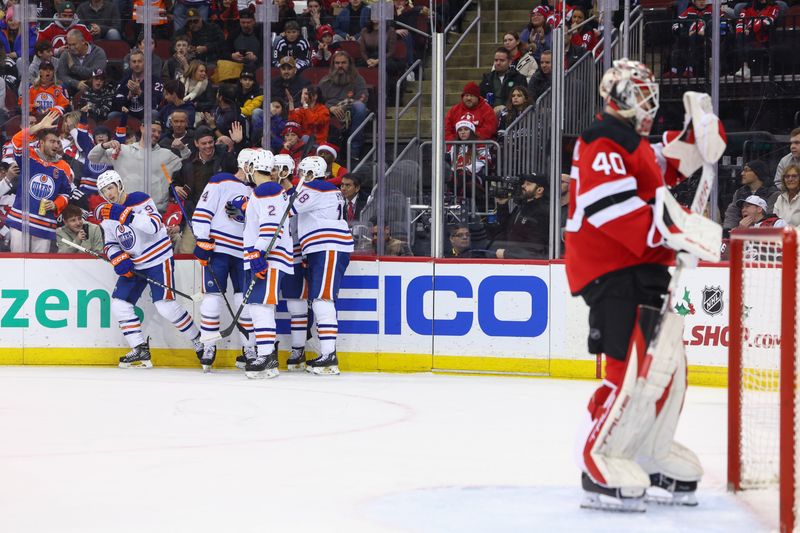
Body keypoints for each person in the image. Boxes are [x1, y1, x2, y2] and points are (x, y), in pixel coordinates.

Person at [566, 59, 720, 511]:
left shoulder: (633, 145)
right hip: (613, 269)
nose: (651, 104)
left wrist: (701, 137)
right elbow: (610, 210)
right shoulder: (601, 142)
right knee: (630, 371)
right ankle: (600, 457)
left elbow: (669, 165)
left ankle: (648, 452)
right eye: (644, 94)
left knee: (666, 368)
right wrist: (678, 232)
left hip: (644, 268)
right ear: (624, 98)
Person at [93, 170, 204, 368]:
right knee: (119, 303)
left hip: (158, 259)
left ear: (119, 185)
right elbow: (110, 244)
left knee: (165, 306)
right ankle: (140, 349)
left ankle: (198, 340)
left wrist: (125, 215)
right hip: (135, 264)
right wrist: (117, 258)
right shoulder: (108, 215)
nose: (108, 194)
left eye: (110, 188)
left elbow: (154, 225)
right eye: (104, 191)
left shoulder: (139, 200)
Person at [190, 148, 259, 371]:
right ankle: (209, 344)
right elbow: (203, 211)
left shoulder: (256, 191)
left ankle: (249, 347)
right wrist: (202, 239)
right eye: (255, 167)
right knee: (212, 298)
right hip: (218, 248)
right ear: (246, 165)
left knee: (244, 300)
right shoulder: (220, 181)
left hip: (243, 252)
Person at [288, 155, 354, 374]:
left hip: (327, 247)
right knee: (319, 299)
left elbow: (288, 208)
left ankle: (329, 356)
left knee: (322, 300)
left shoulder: (316, 188)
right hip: (321, 249)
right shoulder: (327, 189)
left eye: (301, 174)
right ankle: (327, 354)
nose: (299, 178)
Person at [242, 150, 294, 379]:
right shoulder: (271, 190)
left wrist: (257, 252)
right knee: (260, 305)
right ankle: (266, 354)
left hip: (268, 256)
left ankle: (266, 356)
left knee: (260, 305)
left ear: (253, 167)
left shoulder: (267, 189)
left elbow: (271, 225)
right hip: (268, 254)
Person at [5, 111, 73, 253]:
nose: (56, 145)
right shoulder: (29, 156)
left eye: (58, 142)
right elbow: (16, 142)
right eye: (52, 141)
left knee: (39, 268)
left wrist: (56, 204)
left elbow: (66, 194)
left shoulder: (64, 167)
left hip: (44, 224)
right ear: (42, 143)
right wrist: (39, 126)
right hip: (20, 220)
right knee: (18, 263)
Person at [88, 121, 190, 213]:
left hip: (155, 212)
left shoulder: (167, 155)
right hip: (126, 211)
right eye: (153, 130)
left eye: (159, 132)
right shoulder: (122, 150)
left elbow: (189, 161)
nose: (156, 135)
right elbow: (93, 158)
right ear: (142, 128)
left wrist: (182, 148)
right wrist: (104, 145)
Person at [318, 51, 369, 160]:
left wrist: (344, 106)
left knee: (360, 106)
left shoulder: (358, 79)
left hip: (350, 111)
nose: (340, 66)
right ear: (333, 65)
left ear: (349, 64)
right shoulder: (325, 81)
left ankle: (353, 151)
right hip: (328, 112)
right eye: (337, 63)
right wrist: (330, 108)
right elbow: (317, 101)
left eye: (343, 63)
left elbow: (363, 98)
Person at [492, 173, 549, 259]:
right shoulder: (522, 206)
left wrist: (508, 254)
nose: (523, 186)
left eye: (528, 184)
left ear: (540, 190)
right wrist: (502, 205)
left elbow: (535, 248)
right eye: (524, 183)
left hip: (529, 266)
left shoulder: (542, 211)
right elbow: (506, 229)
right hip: (515, 261)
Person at [722, 160, 780, 237]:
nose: (742, 173)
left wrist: (751, 227)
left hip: (764, 236)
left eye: (746, 170)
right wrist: (728, 231)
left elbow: (770, 216)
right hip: (740, 235)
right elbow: (732, 214)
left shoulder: (773, 193)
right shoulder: (739, 192)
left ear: (757, 172)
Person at [112, 49, 164, 120]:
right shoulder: (124, 81)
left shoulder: (155, 81)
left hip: (146, 117)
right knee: (113, 115)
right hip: (128, 116)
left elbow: (155, 105)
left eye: (139, 61)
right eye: (134, 62)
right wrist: (128, 96)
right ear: (130, 64)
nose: (136, 64)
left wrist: (139, 92)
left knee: (154, 113)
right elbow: (116, 104)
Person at [57, 29, 108, 96]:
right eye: (69, 45)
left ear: (83, 41)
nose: (72, 48)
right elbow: (61, 76)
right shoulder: (66, 53)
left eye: (74, 44)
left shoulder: (98, 52)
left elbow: (96, 73)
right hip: (71, 89)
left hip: (93, 89)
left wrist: (74, 68)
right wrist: (77, 84)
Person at [479, 47, 528, 113]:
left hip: (512, 115)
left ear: (510, 62)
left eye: (502, 60)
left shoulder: (519, 78)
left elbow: (524, 100)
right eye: (496, 60)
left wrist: (506, 108)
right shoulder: (487, 79)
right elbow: (480, 98)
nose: (498, 63)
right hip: (489, 115)